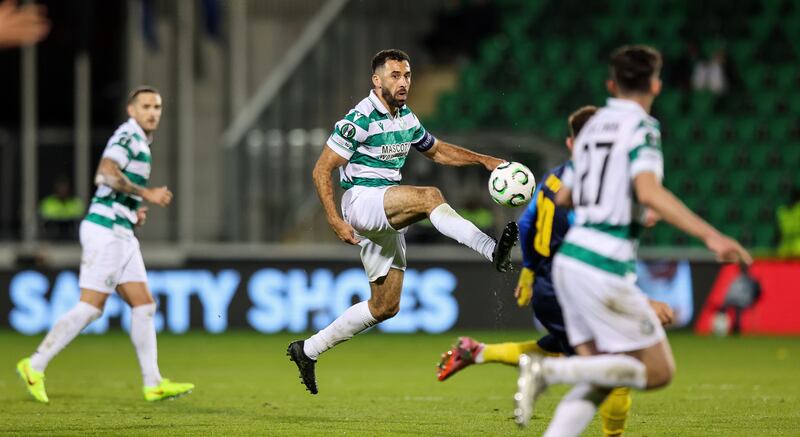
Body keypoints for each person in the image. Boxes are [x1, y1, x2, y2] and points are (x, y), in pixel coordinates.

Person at [513, 45, 752, 436]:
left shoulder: (591, 128)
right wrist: (712, 236)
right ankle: (548, 368)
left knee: (600, 375)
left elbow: (565, 196)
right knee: (658, 371)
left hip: (569, 264)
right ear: (656, 85)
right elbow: (649, 191)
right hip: (604, 265)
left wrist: (617, 202)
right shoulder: (642, 127)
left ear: (612, 84)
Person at [287, 49, 519, 395]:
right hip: (362, 201)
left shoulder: (406, 117)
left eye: (407, 75)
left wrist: (483, 160)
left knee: (385, 306)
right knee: (429, 197)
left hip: (386, 207)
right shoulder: (360, 118)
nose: (404, 82)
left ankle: (307, 350)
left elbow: (438, 151)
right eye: (395, 75)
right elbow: (322, 168)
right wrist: (334, 219)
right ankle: (490, 250)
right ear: (376, 80)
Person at [436, 106, 674, 437]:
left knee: (558, 346)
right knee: (618, 365)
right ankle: (555, 382)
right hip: (570, 287)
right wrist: (643, 302)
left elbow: (527, 222)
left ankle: (478, 352)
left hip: (551, 285)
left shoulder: (555, 178)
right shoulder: (592, 185)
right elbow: (592, 254)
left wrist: (529, 271)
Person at [16, 86, 194, 403]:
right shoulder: (128, 137)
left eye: (157, 106)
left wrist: (131, 210)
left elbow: (115, 186)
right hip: (106, 230)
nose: (153, 112)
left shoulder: (140, 141)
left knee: (143, 304)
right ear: (131, 110)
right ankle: (35, 363)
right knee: (90, 307)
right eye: (146, 106)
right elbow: (105, 174)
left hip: (121, 229)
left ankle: (153, 383)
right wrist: (146, 193)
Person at [39, 176, 84, 240]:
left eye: (65, 188)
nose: (62, 190)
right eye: (60, 188)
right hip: (53, 233)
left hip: (71, 234)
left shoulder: (75, 202)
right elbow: (44, 217)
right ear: (56, 189)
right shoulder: (48, 202)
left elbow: (79, 216)